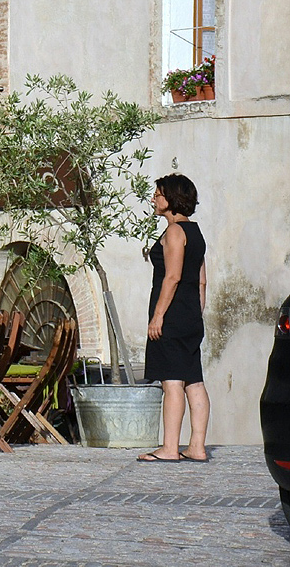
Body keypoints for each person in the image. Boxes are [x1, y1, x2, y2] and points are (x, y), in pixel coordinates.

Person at [138, 172, 210, 463]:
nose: (154, 198)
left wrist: (158, 317)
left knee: (172, 381)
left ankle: (169, 448)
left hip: (172, 316)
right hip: (191, 314)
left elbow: (172, 277)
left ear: (171, 198)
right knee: (194, 380)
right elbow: (202, 281)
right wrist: (196, 312)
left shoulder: (174, 232)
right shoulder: (196, 233)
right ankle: (197, 447)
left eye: (158, 193)